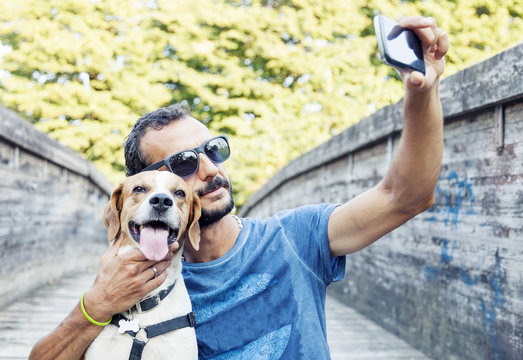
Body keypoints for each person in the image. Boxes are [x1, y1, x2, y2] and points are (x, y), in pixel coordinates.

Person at [30, 15, 449, 360]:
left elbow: (407, 197)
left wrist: (423, 92)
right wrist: (95, 307)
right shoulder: (136, 282)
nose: (211, 169)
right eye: (185, 164)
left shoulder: (293, 238)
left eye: (213, 149)